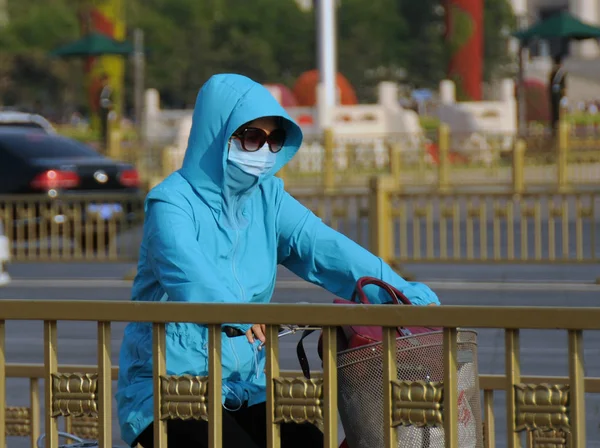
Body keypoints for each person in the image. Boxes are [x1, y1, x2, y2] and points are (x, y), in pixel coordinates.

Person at [116, 73, 441, 448]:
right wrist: (236, 312)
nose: (264, 150)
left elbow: (325, 247)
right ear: (217, 133)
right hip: (169, 391)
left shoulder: (268, 198)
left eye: (275, 140)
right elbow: (187, 275)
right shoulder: (171, 202)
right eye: (252, 137)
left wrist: (398, 292)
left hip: (245, 387)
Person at [548, 54, 567, 133]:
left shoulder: (559, 72)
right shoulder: (555, 72)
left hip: (556, 93)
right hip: (556, 93)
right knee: (555, 109)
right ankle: (555, 124)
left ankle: (556, 123)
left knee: (557, 109)